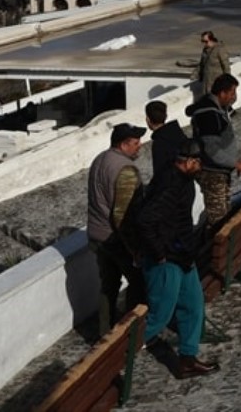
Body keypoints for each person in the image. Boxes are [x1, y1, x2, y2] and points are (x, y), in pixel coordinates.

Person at [131, 138, 220, 378]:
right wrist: (159, 254)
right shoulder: (170, 184)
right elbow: (145, 220)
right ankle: (118, 354)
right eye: (198, 162)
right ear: (188, 162)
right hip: (166, 260)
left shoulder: (183, 179)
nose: (200, 166)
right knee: (159, 316)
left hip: (182, 256)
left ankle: (187, 360)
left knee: (193, 305)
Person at [86, 123, 147, 336]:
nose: (139, 146)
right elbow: (123, 215)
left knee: (108, 286)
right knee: (138, 281)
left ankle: (105, 332)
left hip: (96, 235)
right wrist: (135, 249)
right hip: (115, 238)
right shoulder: (125, 170)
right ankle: (131, 333)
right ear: (123, 144)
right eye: (136, 143)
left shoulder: (99, 160)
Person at [186, 72, 241, 227]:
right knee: (218, 220)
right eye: (232, 93)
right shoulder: (208, 115)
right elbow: (212, 150)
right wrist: (234, 163)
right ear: (222, 93)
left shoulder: (217, 109)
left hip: (220, 172)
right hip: (212, 173)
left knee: (224, 214)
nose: (234, 97)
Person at [176, 30, 230, 99]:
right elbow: (202, 64)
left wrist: (227, 82)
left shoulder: (220, 49)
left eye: (206, 41)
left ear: (212, 39)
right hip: (206, 83)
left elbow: (226, 67)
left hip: (217, 83)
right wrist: (195, 74)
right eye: (203, 41)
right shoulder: (205, 50)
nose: (204, 44)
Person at [146, 99, 187, 175]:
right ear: (166, 116)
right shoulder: (179, 134)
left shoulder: (159, 142)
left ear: (147, 119)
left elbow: (160, 173)